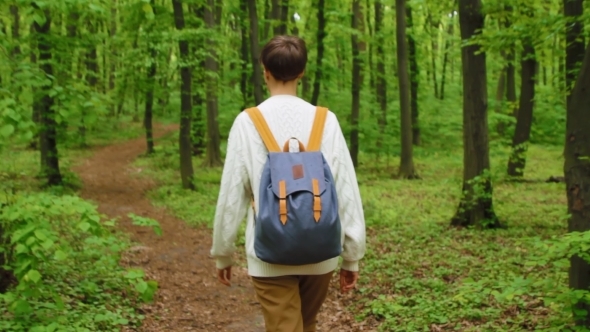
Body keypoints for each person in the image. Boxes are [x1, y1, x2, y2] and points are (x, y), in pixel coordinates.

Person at [210, 35, 366, 332]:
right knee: (305, 325)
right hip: (320, 251)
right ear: (302, 72)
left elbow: (232, 194)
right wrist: (352, 256)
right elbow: (345, 187)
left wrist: (223, 252)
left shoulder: (248, 122)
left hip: (269, 253)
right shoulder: (326, 120)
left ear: (264, 70)